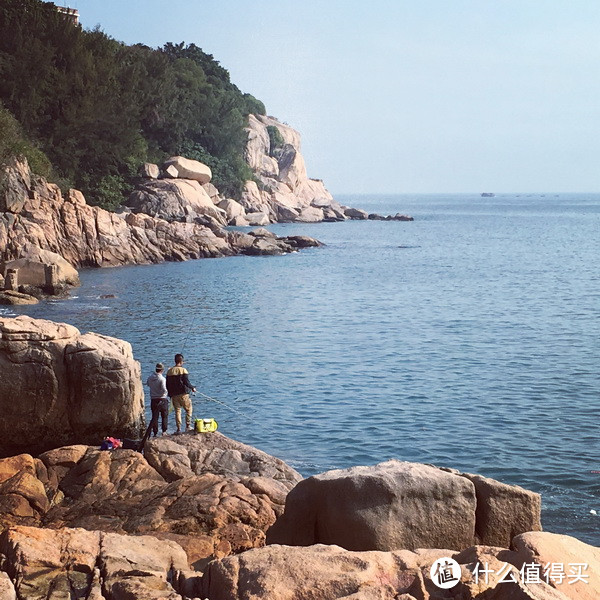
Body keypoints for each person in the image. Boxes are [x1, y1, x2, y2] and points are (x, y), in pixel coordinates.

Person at [166, 353, 196, 433]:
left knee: (177, 411)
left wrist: (170, 394)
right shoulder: (183, 370)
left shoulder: (169, 371)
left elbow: (167, 385)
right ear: (181, 361)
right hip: (183, 394)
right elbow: (186, 382)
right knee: (189, 409)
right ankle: (188, 426)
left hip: (174, 395)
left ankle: (178, 429)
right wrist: (192, 388)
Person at [146, 363, 169, 436]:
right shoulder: (162, 379)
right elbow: (164, 390)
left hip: (153, 399)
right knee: (164, 415)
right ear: (162, 370)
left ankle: (155, 432)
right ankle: (164, 431)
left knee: (155, 417)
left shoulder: (150, 378)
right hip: (162, 399)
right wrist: (167, 392)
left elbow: (148, 384)